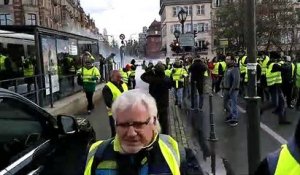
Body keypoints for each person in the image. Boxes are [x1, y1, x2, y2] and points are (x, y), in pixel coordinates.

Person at [84, 90, 183, 175]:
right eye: (123, 125)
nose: (131, 133)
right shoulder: (95, 153)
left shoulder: (177, 153)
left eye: (138, 124)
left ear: (154, 121)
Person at [141, 62, 173, 134]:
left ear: (155, 70)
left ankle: (153, 133)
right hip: (164, 102)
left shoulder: (152, 79)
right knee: (164, 120)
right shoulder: (166, 79)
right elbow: (171, 85)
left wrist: (150, 70)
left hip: (153, 102)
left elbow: (143, 76)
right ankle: (165, 134)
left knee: (153, 118)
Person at [262, 56, 291, 125]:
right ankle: (260, 110)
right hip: (273, 87)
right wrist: (288, 64)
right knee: (275, 103)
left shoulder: (270, 65)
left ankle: (282, 120)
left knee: (282, 103)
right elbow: (285, 69)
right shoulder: (274, 65)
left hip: (276, 86)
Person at [102, 70, 128, 137]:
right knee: (115, 131)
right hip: (114, 113)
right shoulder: (107, 87)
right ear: (112, 77)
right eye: (118, 76)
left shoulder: (124, 84)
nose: (120, 77)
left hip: (125, 111)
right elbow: (108, 102)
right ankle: (113, 144)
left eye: (120, 76)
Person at [223, 54, 240, 127]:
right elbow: (225, 77)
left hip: (233, 89)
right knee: (225, 104)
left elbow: (236, 81)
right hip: (226, 88)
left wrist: (231, 89)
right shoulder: (227, 68)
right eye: (226, 59)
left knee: (233, 104)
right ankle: (231, 114)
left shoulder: (235, 68)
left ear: (232, 60)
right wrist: (222, 84)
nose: (226, 60)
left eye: (228, 59)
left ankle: (234, 118)